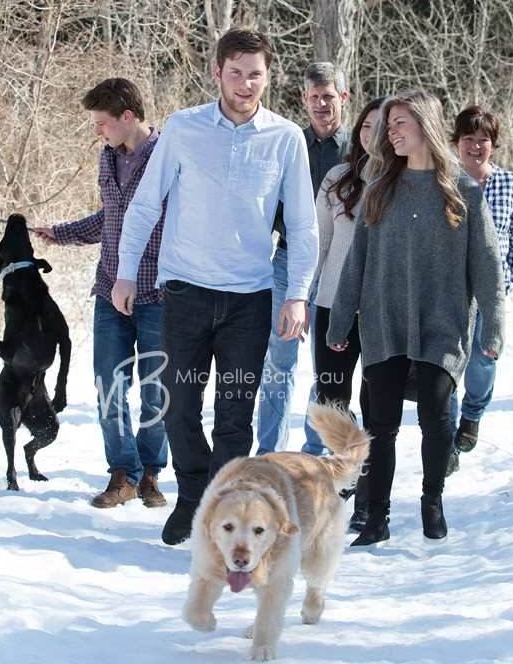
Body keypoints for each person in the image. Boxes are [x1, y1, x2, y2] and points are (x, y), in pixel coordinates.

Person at [111, 28, 317, 546]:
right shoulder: (184, 129)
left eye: (255, 74)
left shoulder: (286, 137)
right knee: (179, 405)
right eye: (236, 72)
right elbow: (145, 203)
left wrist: (295, 294)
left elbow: (304, 223)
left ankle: (222, 508)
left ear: (268, 77)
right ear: (218, 72)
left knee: (234, 412)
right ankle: (190, 496)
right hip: (185, 290)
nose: (245, 84)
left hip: (250, 298)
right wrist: (125, 270)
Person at [326, 89, 504, 546]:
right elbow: (356, 261)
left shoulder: (462, 191)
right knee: (380, 424)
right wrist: (340, 317)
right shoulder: (381, 188)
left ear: (424, 125)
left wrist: (495, 327)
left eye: (400, 123)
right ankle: (378, 517)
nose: (391, 132)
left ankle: (432, 500)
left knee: (435, 416)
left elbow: (487, 265)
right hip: (385, 321)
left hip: (442, 324)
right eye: (389, 125)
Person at [33, 77, 169, 510]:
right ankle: (122, 473)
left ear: (127, 117)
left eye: (102, 123)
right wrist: (62, 233)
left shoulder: (169, 157)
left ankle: (150, 474)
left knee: (156, 391)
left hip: (157, 294)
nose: (98, 131)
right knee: (108, 387)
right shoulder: (107, 158)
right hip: (110, 290)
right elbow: (110, 219)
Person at [255, 62, 350, 457]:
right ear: (305, 99)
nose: (321, 104)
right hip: (287, 264)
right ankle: (271, 456)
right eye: (314, 97)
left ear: (342, 98)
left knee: (328, 368)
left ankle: (315, 455)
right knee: (278, 365)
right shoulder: (290, 142)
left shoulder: (357, 149)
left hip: (337, 271)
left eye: (328, 96)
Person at [311, 96, 385, 531]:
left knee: (375, 405)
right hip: (332, 303)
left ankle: (370, 500)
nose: (370, 134)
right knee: (332, 400)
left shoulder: (404, 181)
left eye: (381, 127)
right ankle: (345, 479)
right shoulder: (337, 177)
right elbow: (319, 242)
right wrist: (301, 296)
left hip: (379, 311)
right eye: (364, 126)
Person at [447, 106, 513, 472]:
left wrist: (507, 283)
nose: (476, 146)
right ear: (457, 142)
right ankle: (446, 441)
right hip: (448, 292)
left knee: (484, 358)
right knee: (446, 367)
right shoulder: (443, 179)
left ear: (493, 145)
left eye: (483, 140)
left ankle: (473, 415)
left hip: (489, 295)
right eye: (469, 139)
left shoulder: (510, 184)